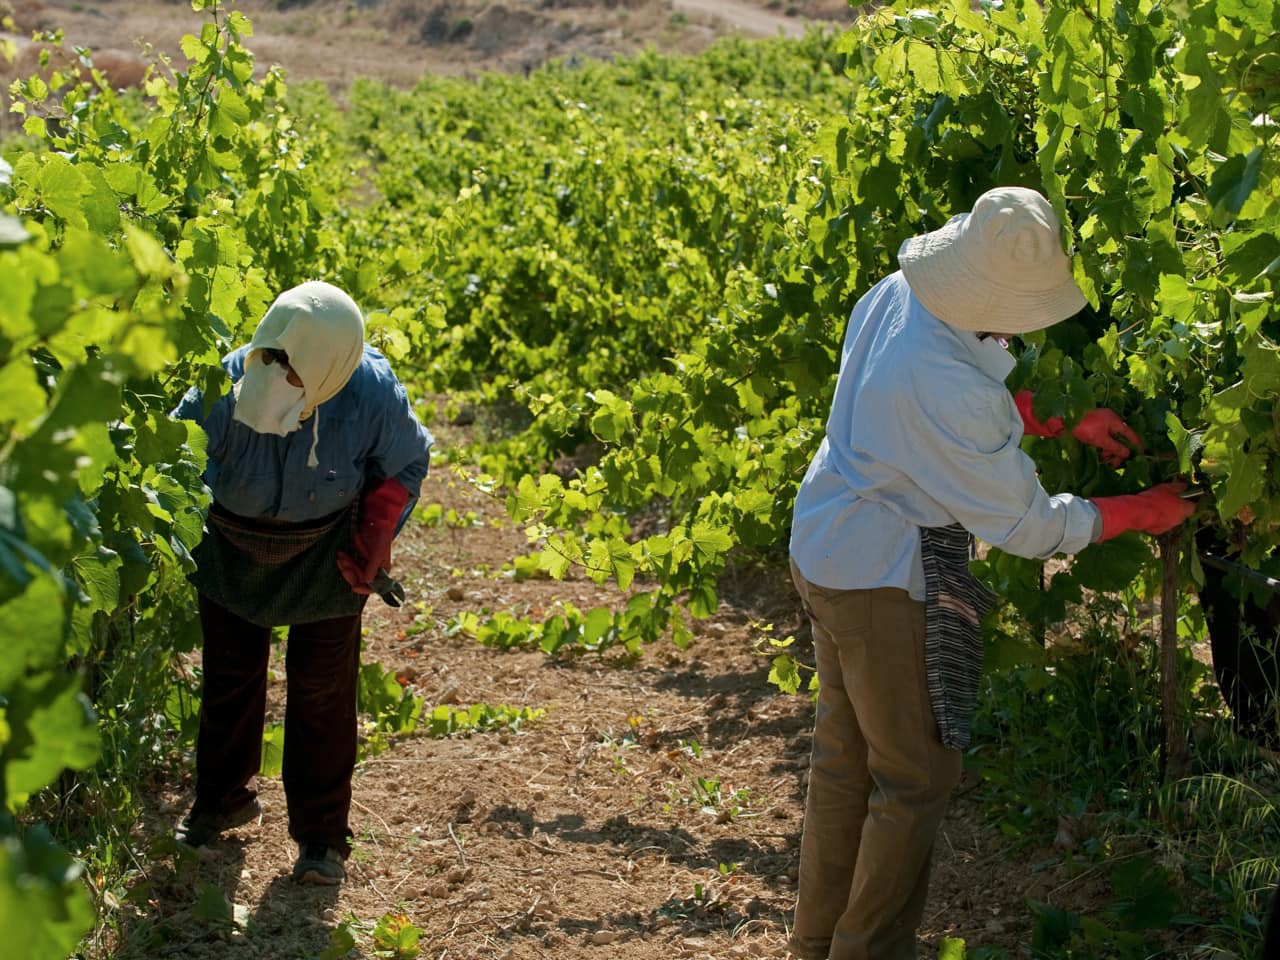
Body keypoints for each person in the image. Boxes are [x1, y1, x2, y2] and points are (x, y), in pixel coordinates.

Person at [786, 187, 1194, 959]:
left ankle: (815, 949)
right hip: (881, 575)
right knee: (914, 781)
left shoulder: (903, 290)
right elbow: (1027, 525)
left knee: (847, 765)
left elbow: (942, 408)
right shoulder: (942, 383)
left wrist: (1055, 416)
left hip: (828, 540)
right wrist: (1143, 510)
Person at [171, 280, 433, 885]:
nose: (280, 374)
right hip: (229, 543)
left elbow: (403, 465)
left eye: (296, 370)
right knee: (229, 676)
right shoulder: (224, 382)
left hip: (327, 550)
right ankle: (220, 799)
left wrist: (374, 539)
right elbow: (179, 460)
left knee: (322, 692)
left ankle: (321, 839)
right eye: (275, 359)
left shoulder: (368, 392)